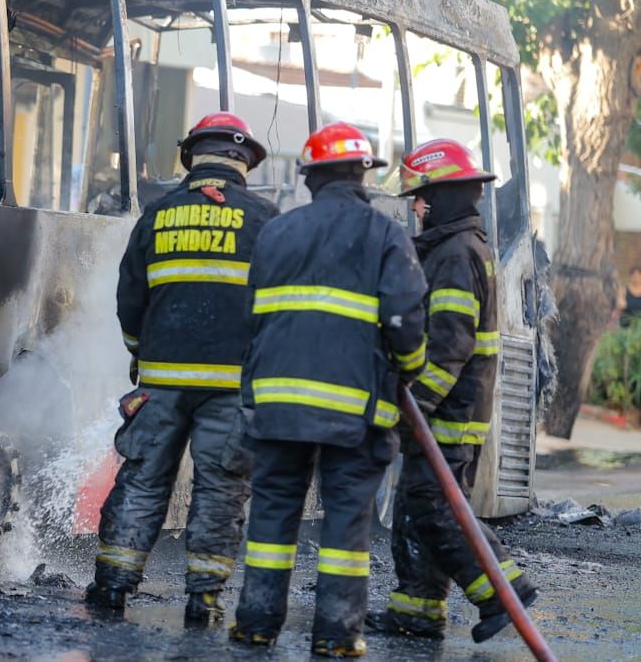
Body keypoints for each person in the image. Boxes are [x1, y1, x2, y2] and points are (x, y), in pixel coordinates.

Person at [229, 122, 427, 657]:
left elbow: (251, 319)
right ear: (362, 173)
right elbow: (407, 324)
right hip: (353, 411)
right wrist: (405, 370)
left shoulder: (276, 231)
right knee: (345, 521)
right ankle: (337, 635)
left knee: (271, 514)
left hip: (276, 407)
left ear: (310, 176)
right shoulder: (386, 236)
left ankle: (255, 622)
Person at [86, 112, 279, 624]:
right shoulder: (267, 220)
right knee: (221, 489)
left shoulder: (157, 215)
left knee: (144, 480)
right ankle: (204, 600)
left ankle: (111, 588)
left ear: (190, 157)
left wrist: (140, 352)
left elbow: (130, 299)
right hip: (233, 387)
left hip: (161, 384)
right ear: (245, 163)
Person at [365, 139, 538, 643]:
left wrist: (414, 407)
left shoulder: (458, 254)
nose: (415, 207)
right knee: (418, 508)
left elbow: (449, 346)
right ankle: (417, 611)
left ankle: (504, 590)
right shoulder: (454, 247)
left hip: (449, 412)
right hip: (446, 408)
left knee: (439, 509)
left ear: (438, 198)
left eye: (419, 197)